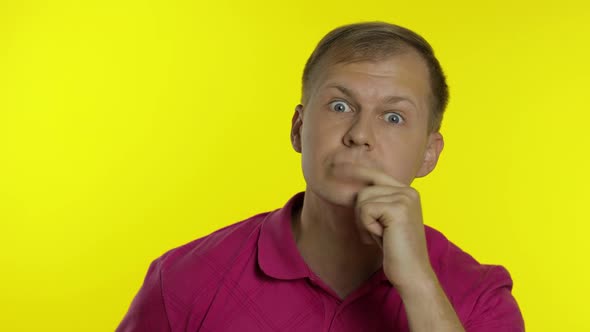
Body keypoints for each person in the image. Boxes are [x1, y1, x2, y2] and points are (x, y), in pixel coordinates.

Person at [116, 22, 524, 332]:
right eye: (340, 107)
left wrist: (417, 283)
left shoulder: (480, 298)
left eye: (394, 117)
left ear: (428, 154)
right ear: (297, 127)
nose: (359, 135)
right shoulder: (185, 279)